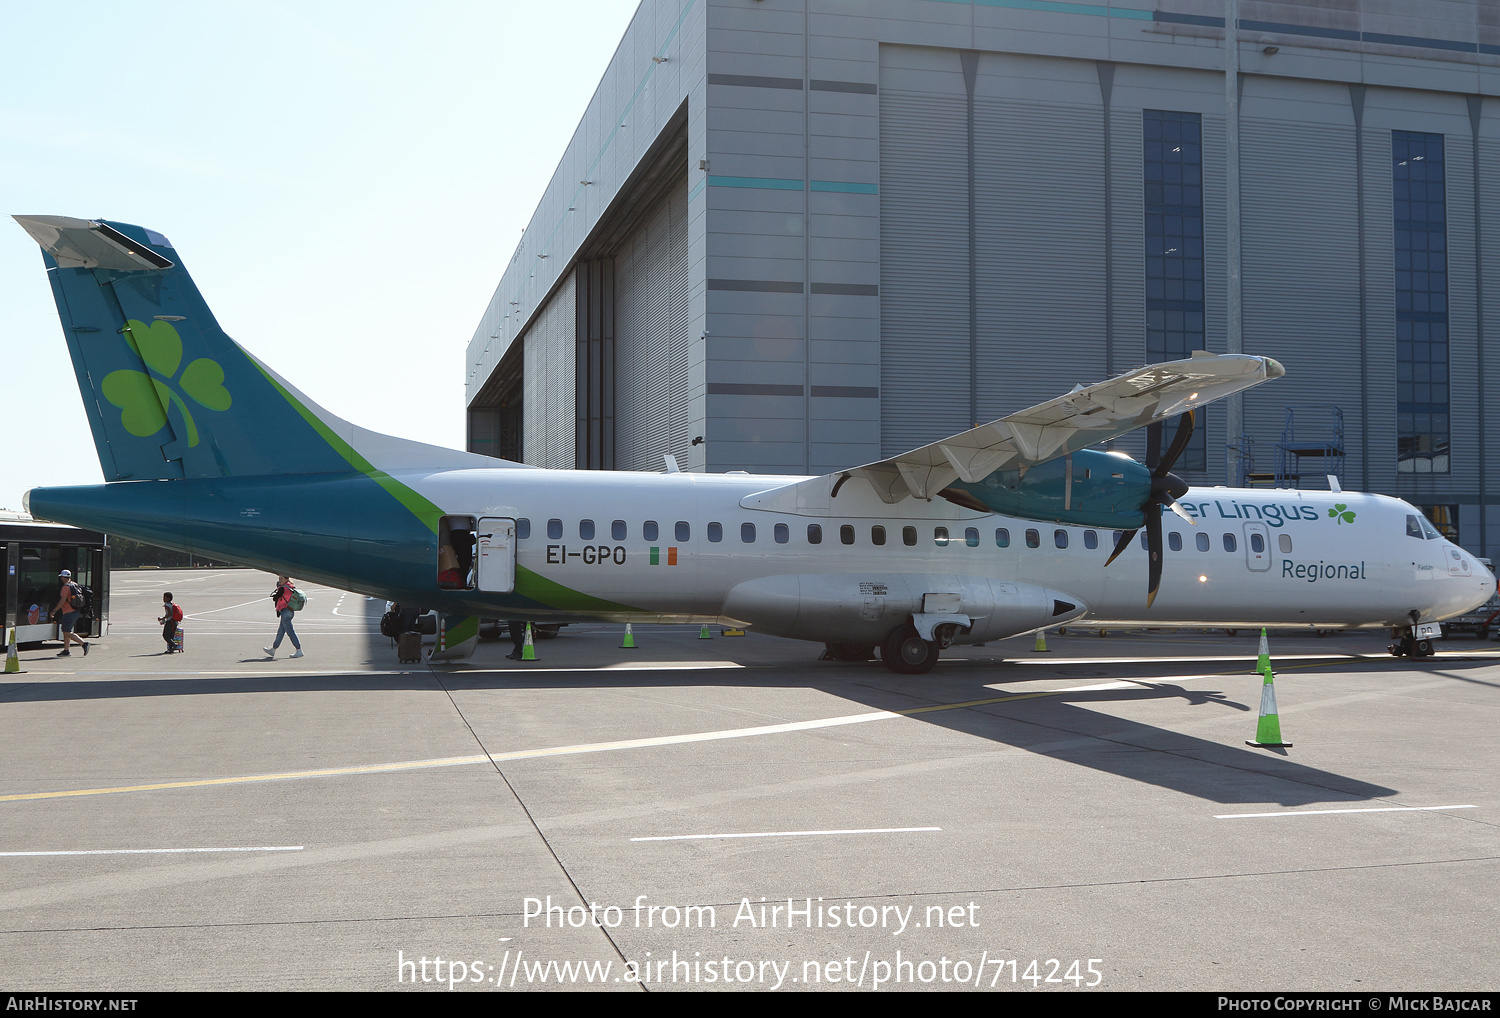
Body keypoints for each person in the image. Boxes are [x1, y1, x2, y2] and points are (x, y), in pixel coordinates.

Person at [264, 575, 303, 659]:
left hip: (285, 612)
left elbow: (276, 598)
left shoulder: (283, 588)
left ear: (286, 579)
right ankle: (273, 649)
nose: (280, 580)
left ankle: (299, 650)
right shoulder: (290, 586)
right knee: (281, 632)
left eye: (282, 578)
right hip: (289, 611)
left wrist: (278, 589)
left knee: (290, 632)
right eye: (279, 578)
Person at [53, 569, 89, 658]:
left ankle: (84, 643)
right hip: (75, 610)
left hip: (69, 612)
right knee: (67, 631)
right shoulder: (74, 584)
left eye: (61, 577)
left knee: (66, 631)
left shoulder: (66, 587)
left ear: (63, 577)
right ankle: (66, 650)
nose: (61, 578)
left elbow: (62, 600)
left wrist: (54, 610)